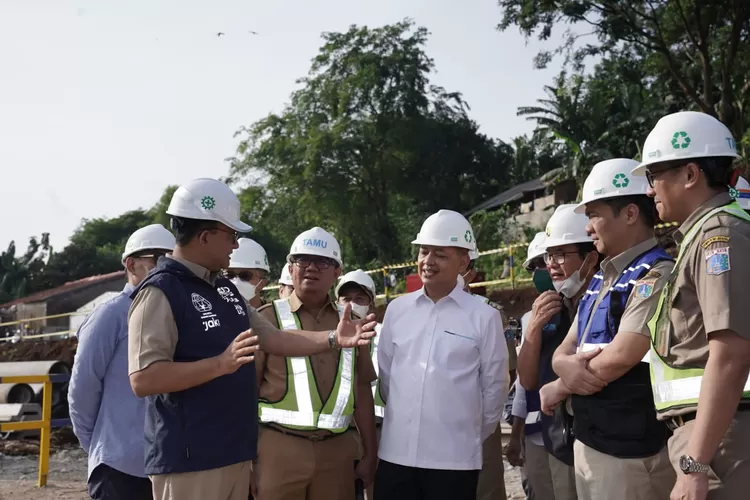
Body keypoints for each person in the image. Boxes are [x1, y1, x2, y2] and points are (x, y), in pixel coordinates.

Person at [127, 178, 377, 500]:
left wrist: (332, 338)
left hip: (233, 454)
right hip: (191, 461)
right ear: (205, 236)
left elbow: (273, 338)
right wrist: (220, 364)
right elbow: (143, 378)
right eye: (232, 235)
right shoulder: (160, 292)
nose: (235, 245)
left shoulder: (223, 290)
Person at [540, 159, 676, 499]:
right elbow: (568, 345)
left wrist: (560, 386)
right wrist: (561, 367)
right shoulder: (603, 274)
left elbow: (622, 354)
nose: (588, 228)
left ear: (630, 213)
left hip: (630, 450)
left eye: (593, 215)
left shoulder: (656, 273)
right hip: (591, 439)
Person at [631, 111, 750, 500]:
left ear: (690, 174)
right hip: (712, 437)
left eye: (654, 176)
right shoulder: (704, 235)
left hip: (720, 444)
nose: (650, 190)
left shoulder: (719, 235)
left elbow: (730, 353)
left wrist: (696, 463)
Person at [375, 209, 508, 500]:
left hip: (454, 462)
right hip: (396, 456)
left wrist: (463, 437)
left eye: (440, 254)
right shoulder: (397, 311)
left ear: (464, 261)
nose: (428, 261)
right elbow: (387, 378)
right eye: (424, 251)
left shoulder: (483, 317)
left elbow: (495, 389)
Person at [253, 228, 378, 500]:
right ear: (290, 267)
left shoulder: (352, 323)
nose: (311, 267)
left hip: (337, 453)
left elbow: (362, 391)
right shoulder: (266, 320)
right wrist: (246, 459)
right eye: (302, 260)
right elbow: (245, 395)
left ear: (337, 272)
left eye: (322, 262)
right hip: (277, 450)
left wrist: (370, 452)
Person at [69, 224, 175, 500]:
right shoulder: (111, 316)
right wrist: (100, 446)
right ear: (131, 264)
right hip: (120, 468)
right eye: (159, 260)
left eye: (172, 261)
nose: (167, 269)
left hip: (168, 465)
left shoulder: (176, 313)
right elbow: (82, 391)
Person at [463, 249, 514, 500]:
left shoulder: (490, 314)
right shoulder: (418, 312)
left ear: (470, 274)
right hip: (437, 424)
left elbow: (507, 373)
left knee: (486, 489)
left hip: (481, 419)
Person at [506, 232, 550, 500]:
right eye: (534, 267)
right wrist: (516, 435)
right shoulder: (528, 319)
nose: (539, 272)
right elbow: (523, 383)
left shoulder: (585, 306)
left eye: (542, 263)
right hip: (537, 435)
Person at [335, 269, 383, 500]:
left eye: (359, 299)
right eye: (346, 298)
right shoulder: (327, 337)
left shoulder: (386, 336)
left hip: (381, 431)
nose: (352, 304)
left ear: (371, 305)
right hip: (341, 433)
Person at [227, 238, 270, 309]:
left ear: (262, 283)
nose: (235, 282)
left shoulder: (274, 317)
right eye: (229, 275)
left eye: (245, 276)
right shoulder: (214, 317)